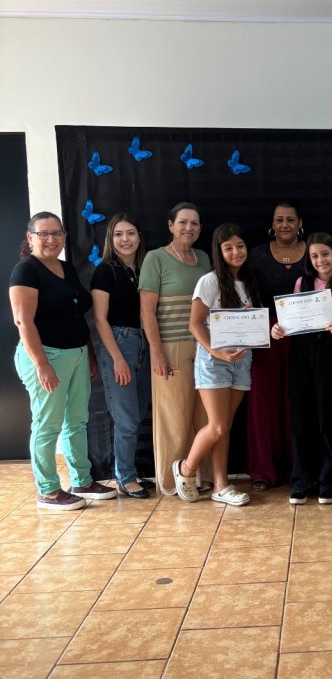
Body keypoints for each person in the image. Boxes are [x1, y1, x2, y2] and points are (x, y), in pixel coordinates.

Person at [9, 212, 117, 510]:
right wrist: (42, 365)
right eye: (43, 233)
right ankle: (48, 491)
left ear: (64, 237)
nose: (51, 239)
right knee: (48, 425)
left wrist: (89, 353)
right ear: (30, 237)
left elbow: (76, 314)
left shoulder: (65, 267)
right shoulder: (26, 271)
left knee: (77, 421)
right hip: (47, 356)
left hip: (77, 354)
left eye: (57, 233)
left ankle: (82, 480)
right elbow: (23, 321)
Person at [172, 223, 261, 507]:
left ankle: (221, 485)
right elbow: (195, 323)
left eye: (240, 246)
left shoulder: (248, 281)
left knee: (225, 425)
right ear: (219, 252)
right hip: (213, 361)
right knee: (218, 425)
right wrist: (216, 352)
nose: (236, 252)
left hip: (241, 360)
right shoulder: (209, 281)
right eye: (228, 248)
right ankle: (186, 468)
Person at [271, 232, 332, 505]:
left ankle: (327, 481)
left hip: (331, 357)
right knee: (300, 419)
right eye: (315, 256)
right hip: (301, 355)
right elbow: (291, 322)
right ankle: (300, 482)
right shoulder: (302, 282)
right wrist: (279, 329)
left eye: (325, 254)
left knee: (327, 419)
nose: (321, 260)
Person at [139, 202, 213, 497]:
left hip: (205, 345)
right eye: (183, 222)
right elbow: (147, 311)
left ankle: (198, 476)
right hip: (171, 347)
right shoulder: (155, 258)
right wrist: (157, 353)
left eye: (194, 223)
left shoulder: (204, 258)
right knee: (174, 416)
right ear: (171, 226)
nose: (189, 228)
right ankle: (171, 481)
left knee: (204, 416)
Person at [91, 212, 152, 499]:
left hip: (145, 343)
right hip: (119, 343)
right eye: (118, 234)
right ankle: (125, 478)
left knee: (137, 415)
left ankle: (130, 471)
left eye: (130, 233)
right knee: (126, 419)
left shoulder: (145, 268)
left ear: (139, 237)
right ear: (110, 239)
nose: (125, 239)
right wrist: (117, 358)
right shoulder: (106, 271)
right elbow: (100, 319)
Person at [246, 201, 306, 490]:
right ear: (272, 223)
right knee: (263, 403)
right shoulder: (256, 255)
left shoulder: (314, 251)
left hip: (304, 335)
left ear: (300, 223)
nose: (285, 225)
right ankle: (263, 470)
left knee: (297, 402)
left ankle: (299, 468)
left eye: (290, 219)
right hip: (265, 335)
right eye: (279, 219)